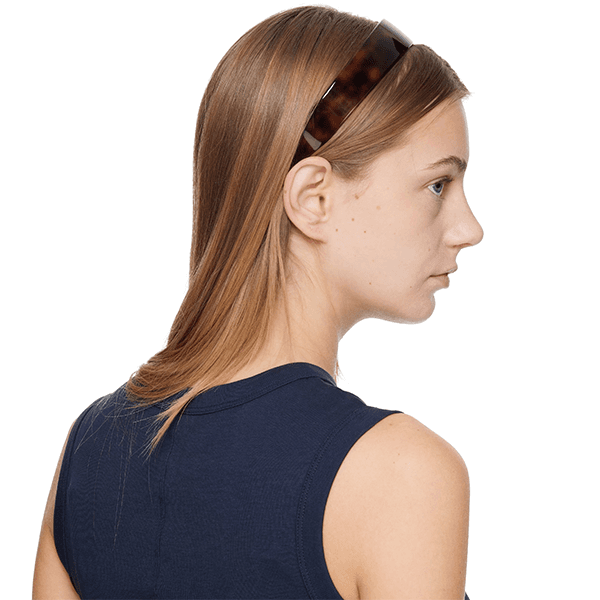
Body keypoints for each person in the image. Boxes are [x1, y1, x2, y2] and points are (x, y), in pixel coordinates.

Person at [33, 5, 483, 599]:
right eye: (438, 184)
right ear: (313, 198)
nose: (470, 229)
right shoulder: (400, 475)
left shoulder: (90, 448)